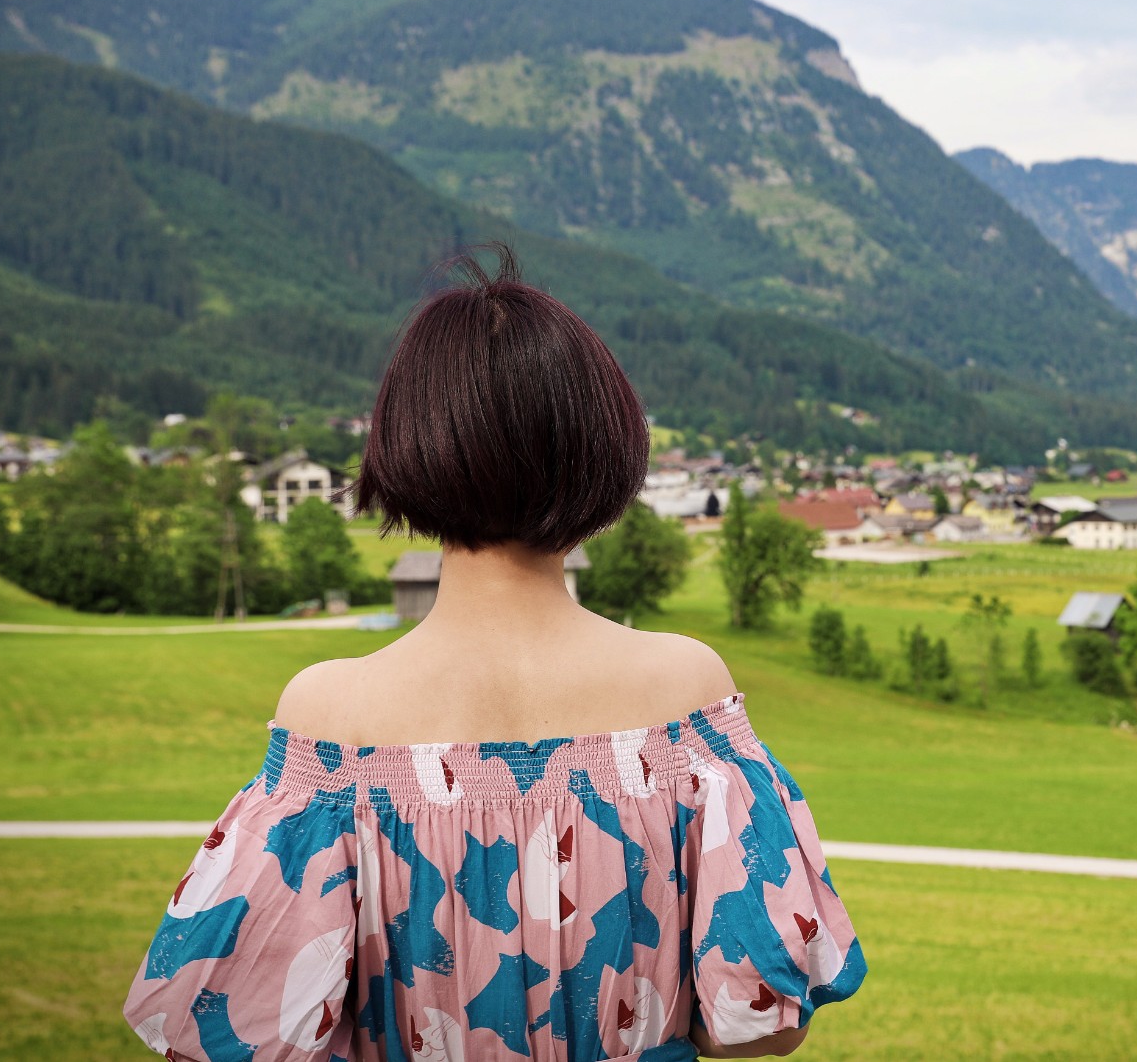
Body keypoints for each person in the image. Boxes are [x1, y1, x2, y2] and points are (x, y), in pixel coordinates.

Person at [124, 246, 865, 1061]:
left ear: (407, 446)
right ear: (602, 448)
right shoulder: (685, 695)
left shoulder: (328, 720)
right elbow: (764, 1023)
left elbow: (242, 1030)